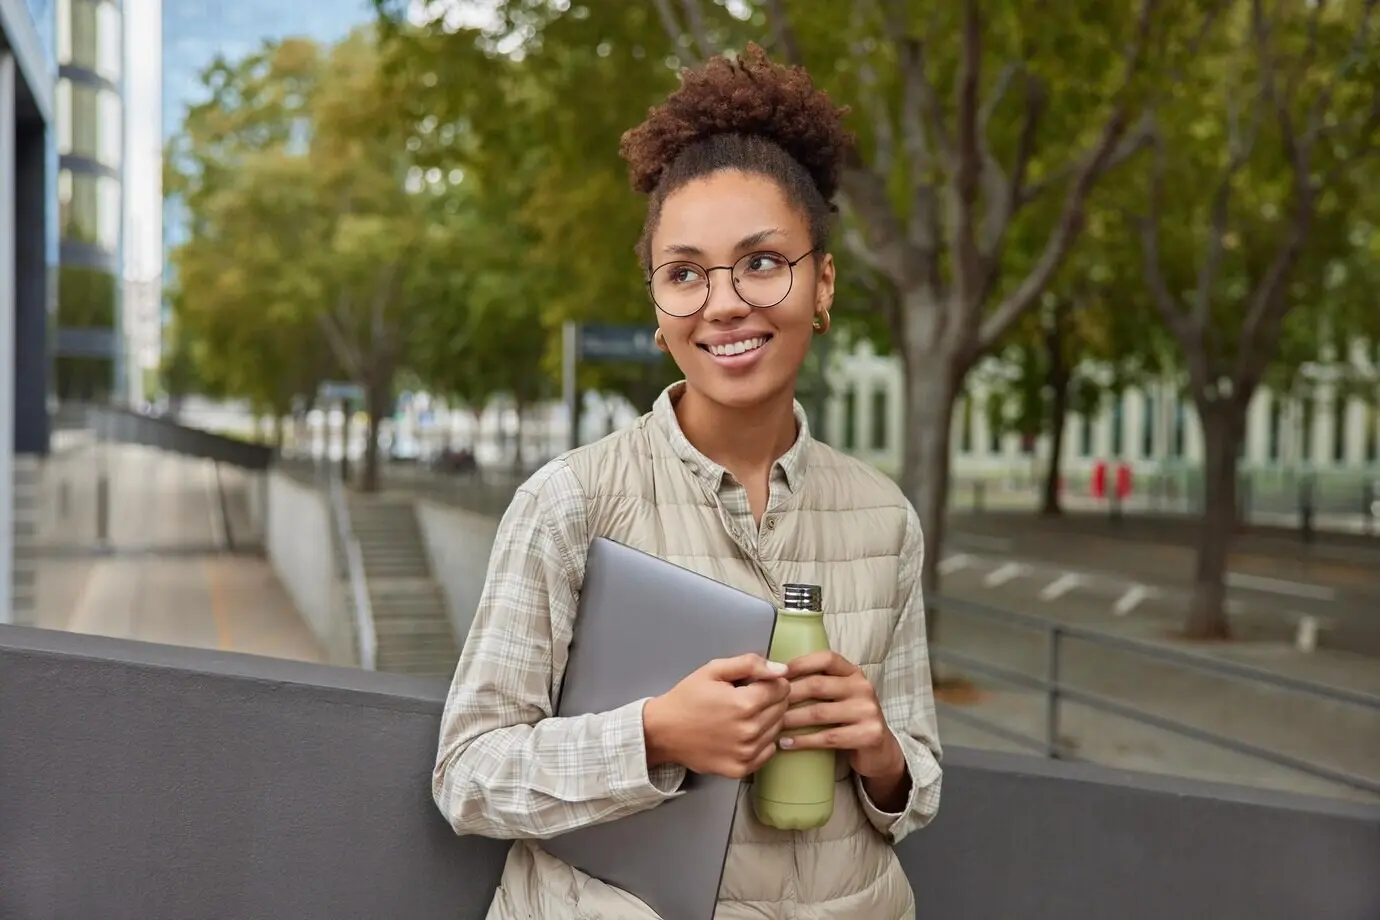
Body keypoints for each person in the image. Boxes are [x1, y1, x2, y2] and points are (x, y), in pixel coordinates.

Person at [433, 43, 942, 920]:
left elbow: (916, 782)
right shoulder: (570, 502)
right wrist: (654, 736)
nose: (724, 302)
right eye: (685, 274)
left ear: (822, 283)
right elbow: (468, 774)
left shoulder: (884, 517)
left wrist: (882, 755)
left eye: (762, 262)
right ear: (658, 309)